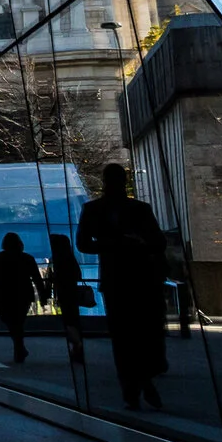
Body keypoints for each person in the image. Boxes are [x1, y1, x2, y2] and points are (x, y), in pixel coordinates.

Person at [76, 163, 168, 410]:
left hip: (125, 279)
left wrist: (112, 245)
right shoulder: (135, 209)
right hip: (132, 279)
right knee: (132, 335)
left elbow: (84, 244)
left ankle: (134, 386)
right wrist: (121, 244)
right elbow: (158, 242)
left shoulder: (97, 209)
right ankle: (139, 383)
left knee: (125, 337)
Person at [0, 230, 40, 365]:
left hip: (3, 294)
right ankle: (19, 347)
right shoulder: (28, 258)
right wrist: (43, 294)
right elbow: (37, 278)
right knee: (18, 321)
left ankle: (19, 347)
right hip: (23, 294)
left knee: (10, 321)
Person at [47, 232, 88, 364]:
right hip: (72, 292)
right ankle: (77, 347)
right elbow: (78, 275)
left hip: (63, 293)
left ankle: (76, 344)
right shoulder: (71, 259)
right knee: (73, 320)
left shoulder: (54, 260)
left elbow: (50, 278)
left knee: (68, 321)